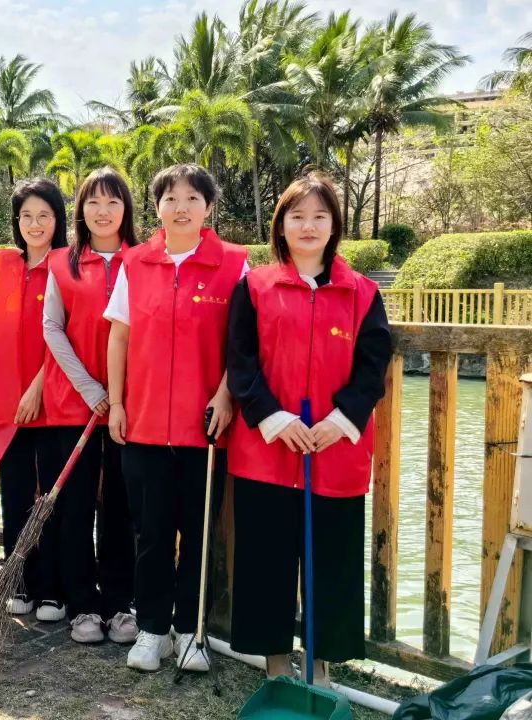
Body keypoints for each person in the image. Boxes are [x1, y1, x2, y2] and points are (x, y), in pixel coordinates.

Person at [226, 171, 391, 687]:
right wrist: (275, 419)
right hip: (267, 450)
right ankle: (276, 666)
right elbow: (240, 363)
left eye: (320, 216)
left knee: (331, 562)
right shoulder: (254, 287)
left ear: (334, 225)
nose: (308, 226)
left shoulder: (362, 292)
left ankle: (320, 666)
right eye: (297, 216)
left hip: (333, 450)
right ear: (281, 225)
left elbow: (373, 368)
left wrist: (340, 421)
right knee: (266, 559)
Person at [105, 164, 248, 672]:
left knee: (198, 536)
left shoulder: (235, 264)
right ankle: (151, 631)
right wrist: (117, 403)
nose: (181, 207)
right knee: (152, 535)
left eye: (192, 198)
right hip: (143, 425)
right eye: (170, 198)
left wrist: (226, 395)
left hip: (204, 428)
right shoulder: (135, 263)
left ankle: (190, 633)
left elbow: (243, 344)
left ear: (209, 207)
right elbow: (119, 336)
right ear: (157, 207)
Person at [42, 167, 139, 643]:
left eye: (113, 202)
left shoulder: (143, 261)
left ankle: (120, 604)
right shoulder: (62, 263)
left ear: (127, 209)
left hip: (128, 406)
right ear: (80, 210)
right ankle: (82, 605)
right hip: (73, 403)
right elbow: (52, 328)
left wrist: (117, 395)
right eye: (93, 203)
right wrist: (90, 390)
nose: (103, 212)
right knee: (76, 507)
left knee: (121, 506)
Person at [0, 178, 68, 620]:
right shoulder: (6, 267)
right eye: (26, 216)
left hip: (51, 402)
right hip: (8, 408)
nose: (35, 224)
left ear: (58, 219)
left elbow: (68, 333)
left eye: (44, 215)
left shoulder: (66, 267)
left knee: (52, 499)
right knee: (16, 493)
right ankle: (18, 582)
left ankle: (52, 590)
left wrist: (38, 387)